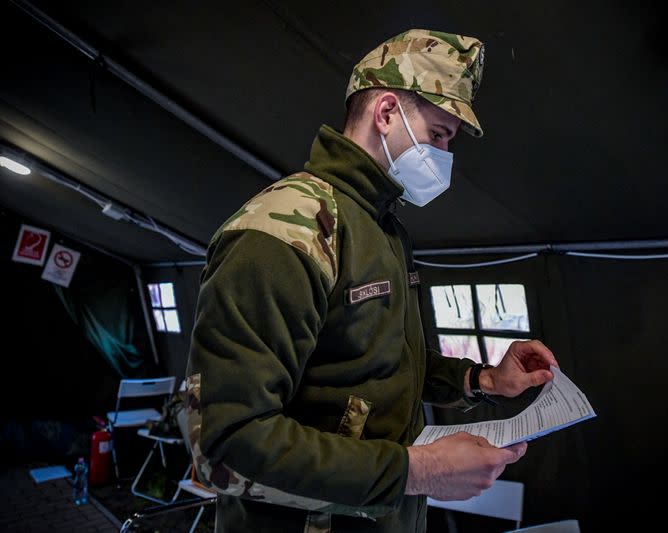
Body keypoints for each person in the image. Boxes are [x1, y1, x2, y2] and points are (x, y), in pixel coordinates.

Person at [186, 29, 559, 532]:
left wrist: (483, 379)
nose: (446, 157)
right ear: (386, 112)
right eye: (439, 135)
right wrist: (416, 471)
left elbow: (384, 363)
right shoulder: (281, 231)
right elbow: (221, 445)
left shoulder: (382, 229)